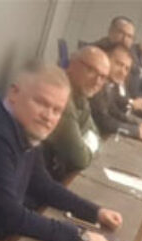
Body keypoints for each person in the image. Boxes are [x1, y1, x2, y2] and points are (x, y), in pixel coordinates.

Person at [0, 63, 123, 241]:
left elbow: (43, 185)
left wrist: (95, 212)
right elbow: (6, 213)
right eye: (41, 103)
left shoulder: (25, 126)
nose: (48, 117)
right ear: (14, 93)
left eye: (57, 110)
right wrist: (79, 236)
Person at [41, 44, 111, 180]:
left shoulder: (80, 95)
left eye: (103, 77)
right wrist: (89, 145)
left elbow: (96, 135)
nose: (97, 81)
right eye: (91, 70)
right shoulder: (61, 98)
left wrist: (87, 144)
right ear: (72, 64)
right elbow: (79, 159)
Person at [88, 42, 142, 142]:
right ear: (106, 59)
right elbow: (104, 121)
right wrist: (137, 132)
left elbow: (113, 110)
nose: (122, 72)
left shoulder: (109, 84)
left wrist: (138, 125)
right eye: (119, 64)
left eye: (126, 68)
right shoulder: (94, 83)